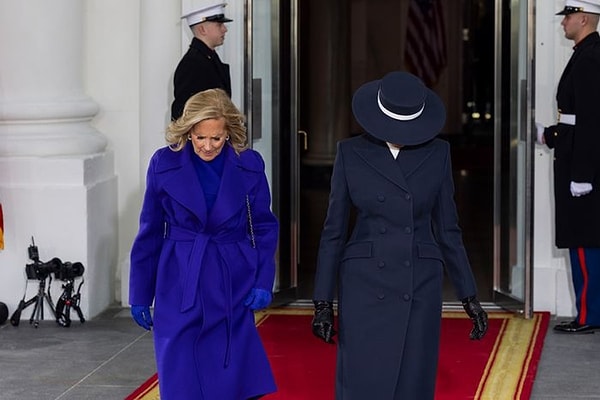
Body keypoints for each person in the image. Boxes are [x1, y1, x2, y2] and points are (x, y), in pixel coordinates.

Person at [311, 71, 488, 399]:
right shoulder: (349, 153)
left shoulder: (438, 153)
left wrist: (469, 296)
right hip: (364, 283)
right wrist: (322, 302)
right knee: (363, 380)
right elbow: (333, 233)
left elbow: (448, 230)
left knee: (412, 381)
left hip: (419, 282)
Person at [129, 88, 279, 399]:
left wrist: (263, 280)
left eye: (216, 138)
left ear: (229, 133)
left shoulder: (248, 164)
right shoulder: (163, 163)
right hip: (179, 276)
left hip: (231, 278)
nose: (208, 146)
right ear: (188, 131)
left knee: (230, 372)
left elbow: (264, 227)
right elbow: (150, 230)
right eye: (200, 137)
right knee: (180, 369)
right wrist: (140, 292)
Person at [535, 0, 600, 334]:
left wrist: (582, 175)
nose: (563, 23)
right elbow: (575, 119)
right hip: (576, 156)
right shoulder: (584, 53)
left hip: (583, 167)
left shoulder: (590, 57)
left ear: (584, 19)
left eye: (568, 17)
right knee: (581, 239)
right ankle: (589, 312)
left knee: (587, 241)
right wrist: (549, 134)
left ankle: (591, 315)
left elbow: (591, 122)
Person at [171, 2, 233, 120]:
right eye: (219, 25)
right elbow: (183, 114)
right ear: (202, 29)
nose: (225, 29)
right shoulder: (192, 64)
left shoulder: (207, 58)